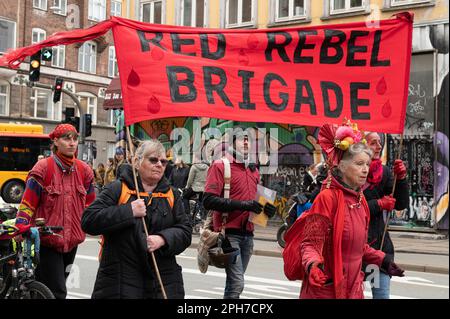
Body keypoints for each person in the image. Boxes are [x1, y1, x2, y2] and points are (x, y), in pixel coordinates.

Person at [294, 121, 404, 299]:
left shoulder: (360, 201)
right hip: (326, 290)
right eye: (359, 164)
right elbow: (310, 243)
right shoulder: (327, 198)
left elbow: (359, 247)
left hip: (353, 290)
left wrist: (383, 260)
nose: (365, 170)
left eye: (367, 164)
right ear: (342, 166)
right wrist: (312, 265)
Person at [81, 140, 192, 299]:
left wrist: (163, 239)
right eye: (153, 160)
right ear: (137, 162)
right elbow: (89, 220)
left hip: (163, 282)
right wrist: (128, 211)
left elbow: (185, 231)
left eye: (163, 161)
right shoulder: (118, 188)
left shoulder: (172, 194)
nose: (159, 165)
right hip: (121, 281)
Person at [14, 123, 95, 299]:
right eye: (67, 138)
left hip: (72, 242)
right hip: (47, 241)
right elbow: (28, 202)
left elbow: (91, 205)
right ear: (56, 141)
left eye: (74, 138)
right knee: (57, 292)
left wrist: (97, 225)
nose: (72, 143)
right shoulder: (43, 168)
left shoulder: (85, 171)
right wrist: (21, 224)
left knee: (46, 289)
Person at [203, 129, 276, 299]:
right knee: (237, 283)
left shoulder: (253, 170)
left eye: (248, 140)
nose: (245, 143)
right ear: (231, 143)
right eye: (241, 139)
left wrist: (268, 210)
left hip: (248, 234)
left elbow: (257, 205)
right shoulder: (220, 165)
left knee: (234, 284)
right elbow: (208, 200)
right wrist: (244, 205)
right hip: (228, 234)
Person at [363, 132, 409, 299]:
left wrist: (402, 179)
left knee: (381, 296)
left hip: (377, 251)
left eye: (379, 142)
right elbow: (349, 210)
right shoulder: (346, 174)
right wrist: (379, 204)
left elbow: (400, 203)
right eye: (373, 142)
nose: (379, 146)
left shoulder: (383, 173)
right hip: (351, 254)